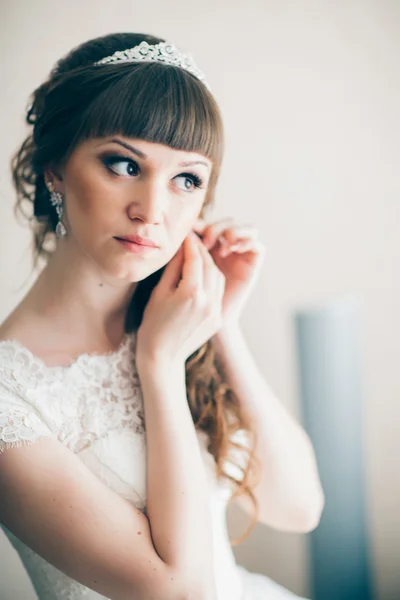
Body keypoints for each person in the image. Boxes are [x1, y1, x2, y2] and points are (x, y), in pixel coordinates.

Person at [0, 32, 324, 600]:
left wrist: (223, 322)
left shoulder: (178, 320)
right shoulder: (9, 398)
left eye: (186, 179)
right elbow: (180, 591)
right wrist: (160, 365)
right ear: (54, 168)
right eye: (123, 164)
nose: (152, 210)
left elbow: (299, 507)